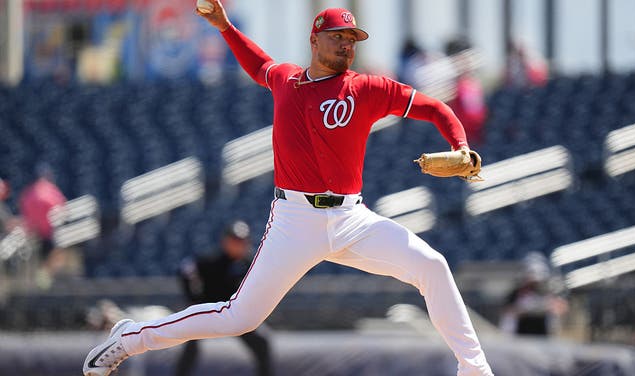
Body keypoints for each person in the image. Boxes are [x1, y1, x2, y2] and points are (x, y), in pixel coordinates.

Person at [83, 5, 493, 376]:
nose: (347, 45)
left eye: (351, 40)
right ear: (315, 40)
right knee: (238, 318)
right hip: (296, 220)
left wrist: (460, 146)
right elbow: (257, 63)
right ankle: (131, 337)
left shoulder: (368, 88)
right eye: (338, 37)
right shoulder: (286, 80)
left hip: (352, 217)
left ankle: (475, 371)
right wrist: (225, 27)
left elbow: (436, 108)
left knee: (433, 266)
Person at [175, 220, 272, 376]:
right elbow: (185, 268)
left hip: (235, 313)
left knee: (262, 342)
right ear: (225, 241)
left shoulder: (251, 264)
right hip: (208, 311)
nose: (238, 244)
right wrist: (193, 298)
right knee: (190, 343)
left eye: (242, 241)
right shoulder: (212, 261)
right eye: (234, 240)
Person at [499, 252, 568, 336]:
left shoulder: (548, 291)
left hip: (542, 335)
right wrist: (523, 309)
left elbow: (561, 307)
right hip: (521, 334)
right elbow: (508, 312)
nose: (534, 284)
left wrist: (544, 306)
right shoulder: (517, 292)